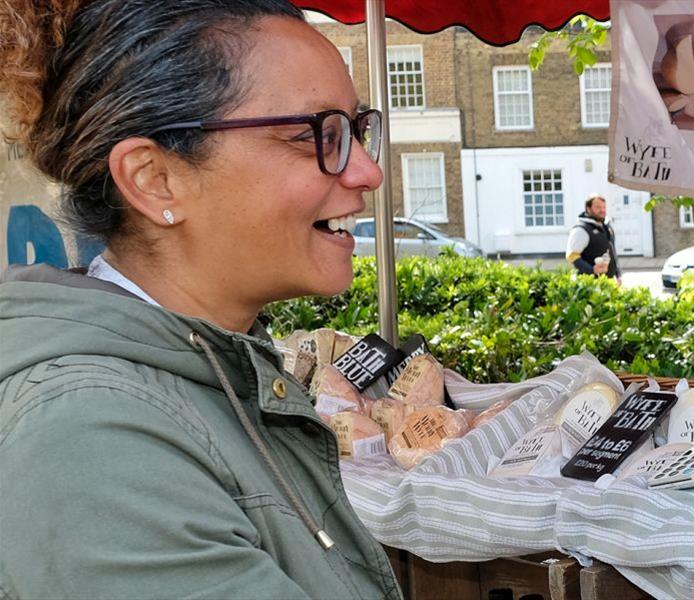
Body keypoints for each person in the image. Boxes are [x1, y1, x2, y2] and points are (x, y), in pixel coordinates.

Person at [0, 0, 401, 597]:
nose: (368, 171)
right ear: (154, 178)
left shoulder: (213, 371)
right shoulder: (94, 438)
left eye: (356, 130)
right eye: (313, 134)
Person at [566, 194, 620, 280]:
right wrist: (592, 270)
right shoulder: (581, 229)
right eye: (598, 207)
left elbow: (612, 252)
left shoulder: (606, 227)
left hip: (608, 282)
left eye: (604, 207)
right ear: (588, 209)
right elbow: (571, 255)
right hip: (590, 284)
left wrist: (618, 275)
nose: (602, 210)